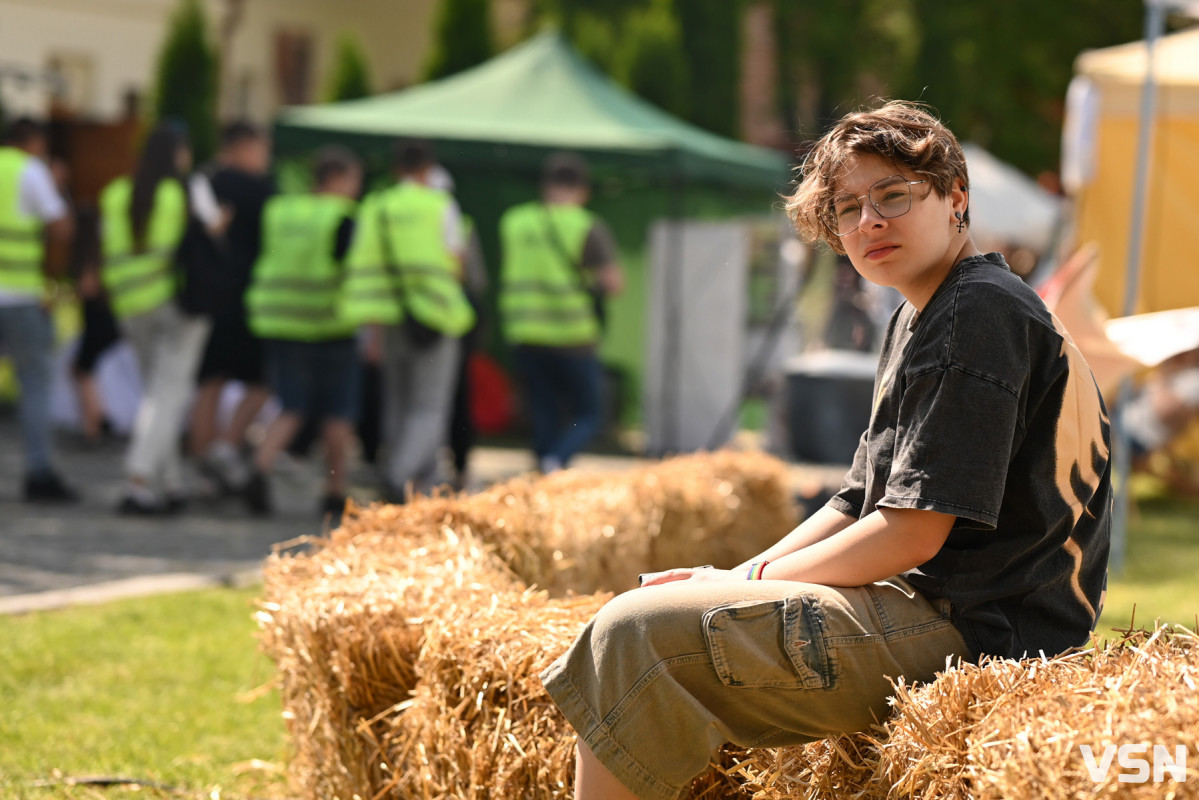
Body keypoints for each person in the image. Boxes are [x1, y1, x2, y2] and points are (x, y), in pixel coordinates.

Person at [540, 101, 1113, 800]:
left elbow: (911, 531)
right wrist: (731, 573)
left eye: (892, 196)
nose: (867, 222)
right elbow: (856, 500)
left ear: (954, 198)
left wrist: (744, 588)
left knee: (632, 635)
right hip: (955, 615)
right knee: (631, 625)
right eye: (845, 208)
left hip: (978, 635)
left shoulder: (977, 310)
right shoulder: (930, 308)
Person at [342, 139, 475, 502]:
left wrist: (371, 328)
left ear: (395, 169)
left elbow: (361, 263)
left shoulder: (376, 206)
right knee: (430, 404)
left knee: (397, 403)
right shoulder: (439, 204)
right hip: (436, 315)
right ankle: (399, 474)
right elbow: (458, 263)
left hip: (386, 317)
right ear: (428, 169)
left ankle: (423, 480)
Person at [99, 122, 220, 514]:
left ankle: (168, 482)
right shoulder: (185, 189)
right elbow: (213, 231)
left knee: (156, 394)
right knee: (167, 396)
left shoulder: (117, 192)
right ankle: (140, 476)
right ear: (178, 153)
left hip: (130, 305)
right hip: (178, 305)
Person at [241, 145, 362, 518]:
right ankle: (334, 490)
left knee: (291, 406)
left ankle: (259, 467)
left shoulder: (281, 210)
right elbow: (354, 268)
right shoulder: (344, 216)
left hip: (279, 322)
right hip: (330, 324)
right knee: (337, 414)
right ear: (339, 178)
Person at [498, 153, 623, 473]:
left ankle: (542, 470)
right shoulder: (586, 225)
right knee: (590, 412)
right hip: (574, 336)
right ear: (582, 189)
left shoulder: (514, 221)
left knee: (543, 411)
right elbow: (613, 283)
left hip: (525, 333)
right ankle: (557, 460)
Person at [188, 120, 276, 494]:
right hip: (249, 298)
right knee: (264, 381)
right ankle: (227, 445)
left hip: (206, 296)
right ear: (245, 147)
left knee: (209, 382)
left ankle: (203, 468)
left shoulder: (200, 183)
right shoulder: (260, 191)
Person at [0, 116, 78, 502]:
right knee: (35, 383)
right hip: (18, 295)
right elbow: (61, 227)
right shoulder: (31, 171)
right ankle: (38, 472)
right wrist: (58, 185)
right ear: (34, 142)